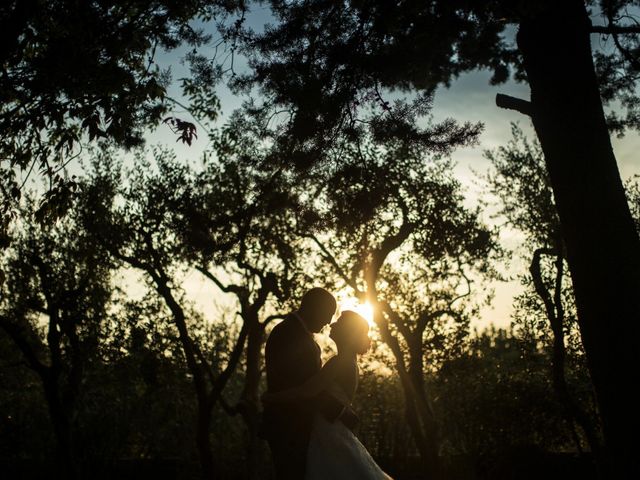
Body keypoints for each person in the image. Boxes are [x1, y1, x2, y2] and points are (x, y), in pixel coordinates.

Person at [264, 309, 393, 480]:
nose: (332, 324)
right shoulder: (349, 362)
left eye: (339, 322)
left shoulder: (340, 362)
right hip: (331, 430)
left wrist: (272, 398)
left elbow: (307, 391)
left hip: (327, 434)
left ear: (348, 332)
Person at [262, 287, 358, 479]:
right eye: (329, 314)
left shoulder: (300, 337)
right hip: (288, 426)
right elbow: (303, 387)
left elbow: (309, 389)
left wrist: (271, 398)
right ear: (316, 308)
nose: (328, 322)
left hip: (301, 428)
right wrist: (341, 413)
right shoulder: (288, 334)